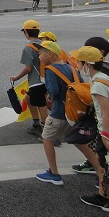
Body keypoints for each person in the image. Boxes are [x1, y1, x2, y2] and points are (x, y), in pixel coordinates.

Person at [72, 46, 109, 212]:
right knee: (105, 165)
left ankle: (103, 199)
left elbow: (106, 114)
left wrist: (105, 137)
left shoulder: (98, 84)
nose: (77, 64)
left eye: (79, 61)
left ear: (88, 64)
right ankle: (102, 196)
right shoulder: (105, 78)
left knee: (104, 165)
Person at [34, 41, 74, 185]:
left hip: (58, 111)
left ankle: (54, 173)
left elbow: (54, 91)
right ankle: (99, 171)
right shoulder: (70, 67)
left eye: (41, 54)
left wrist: (49, 94)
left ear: (50, 54)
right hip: (73, 112)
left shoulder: (50, 70)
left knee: (47, 138)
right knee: (79, 141)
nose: (39, 57)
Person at [10, 20, 49, 138]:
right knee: (28, 98)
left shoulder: (28, 48)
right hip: (48, 79)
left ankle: (49, 132)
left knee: (42, 105)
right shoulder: (45, 44)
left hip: (37, 82)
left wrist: (16, 78)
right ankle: (36, 123)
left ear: (26, 32)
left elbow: (28, 68)